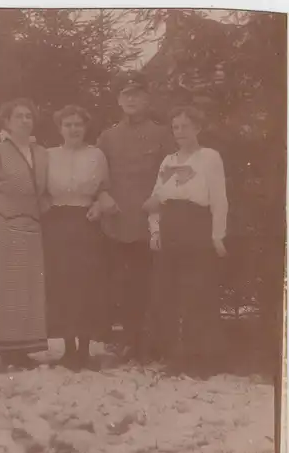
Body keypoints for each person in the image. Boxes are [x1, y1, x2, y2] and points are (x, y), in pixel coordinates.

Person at [144, 105, 228, 374]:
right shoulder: (168, 161)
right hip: (171, 226)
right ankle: (175, 357)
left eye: (186, 126)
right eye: (176, 127)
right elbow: (157, 197)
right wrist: (155, 230)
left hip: (197, 225)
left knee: (197, 292)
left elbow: (219, 198)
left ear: (198, 128)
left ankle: (201, 359)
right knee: (169, 293)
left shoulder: (209, 157)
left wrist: (217, 235)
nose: (180, 132)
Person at [0, 98, 49, 370]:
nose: (25, 121)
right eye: (19, 116)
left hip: (32, 225)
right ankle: (4, 349)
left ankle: (23, 348)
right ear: (6, 122)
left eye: (29, 116)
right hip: (2, 225)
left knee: (27, 288)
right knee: (3, 288)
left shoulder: (41, 152)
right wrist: (0, 219)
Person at [96, 72, 171, 361]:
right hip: (116, 223)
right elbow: (97, 174)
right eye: (125, 95)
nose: (131, 99)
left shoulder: (162, 134)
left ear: (147, 99)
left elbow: (172, 173)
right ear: (118, 100)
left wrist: (159, 201)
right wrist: (102, 195)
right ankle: (126, 340)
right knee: (122, 285)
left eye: (136, 94)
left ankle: (148, 343)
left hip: (149, 224)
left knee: (150, 284)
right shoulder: (108, 136)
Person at [43, 105, 111, 371]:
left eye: (78, 124)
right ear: (60, 129)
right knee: (62, 285)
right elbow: (41, 190)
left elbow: (105, 188)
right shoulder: (48, 155)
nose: (73, 129)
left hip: (86, 223)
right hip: (57, 223)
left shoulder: (96, 155)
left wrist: (99, 206)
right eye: (68, 124)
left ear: (86, 128)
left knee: (86, 286)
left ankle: (84, 348)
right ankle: (68, 348)